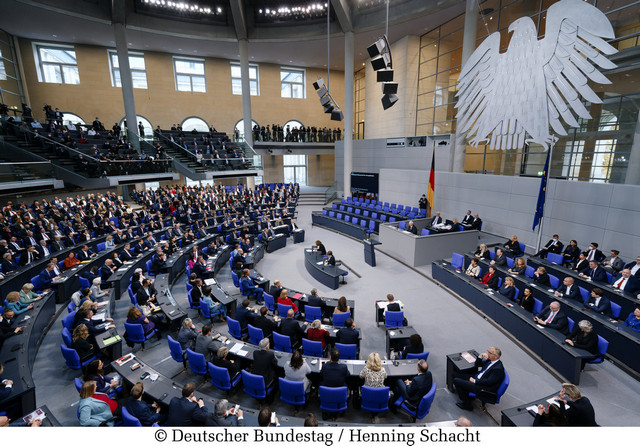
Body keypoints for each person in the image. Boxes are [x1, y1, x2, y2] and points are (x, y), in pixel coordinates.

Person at [453, 347, 504, 411]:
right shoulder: (490, 360)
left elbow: (489, 382)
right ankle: (468, 396)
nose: (487, 354)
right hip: (478, 378)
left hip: (482, 387)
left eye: (489, 353)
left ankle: (467, 404)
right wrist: (480, 356)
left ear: (495, 356)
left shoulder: (498, 369)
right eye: (487, 351)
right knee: (455, 374)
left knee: (456, 381)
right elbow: (477, 365)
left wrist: (475, 381)